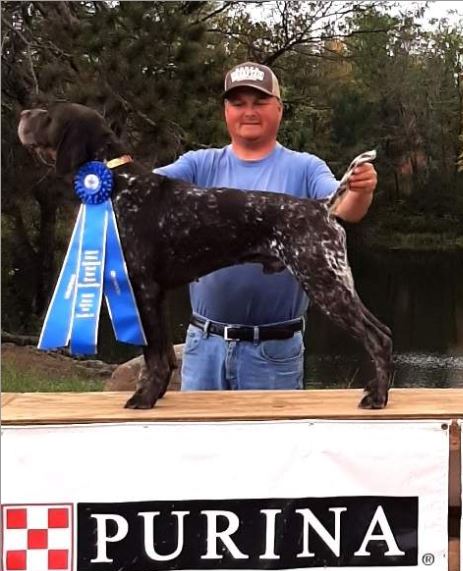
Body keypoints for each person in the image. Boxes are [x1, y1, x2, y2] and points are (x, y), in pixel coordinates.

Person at [155, 62, 377, 391]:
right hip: (203, 348)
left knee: (274, 444)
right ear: (225, 110)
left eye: (259, 102)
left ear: (279, 109)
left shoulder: (305, 168)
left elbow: (342, 209)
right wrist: (107, 171)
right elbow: (147, 188)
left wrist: (361, 190)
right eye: (238, 103)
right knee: (198, 443)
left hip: (274, 352)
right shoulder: (198, 164)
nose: (249, 112)